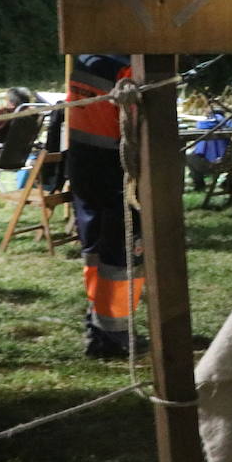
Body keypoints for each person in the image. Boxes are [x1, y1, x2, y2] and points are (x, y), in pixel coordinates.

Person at [68, 56, 147, 358]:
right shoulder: (128, 69)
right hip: (116, 175)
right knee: (122, 258)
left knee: (95, 254)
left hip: (83, 168)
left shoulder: (84, 58)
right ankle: (114, 336)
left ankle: (96, 325)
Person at [0, 87, 35, 165]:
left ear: (11, 103)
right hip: (18, 157)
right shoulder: (32, 116)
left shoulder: (6, 115)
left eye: (6, 100)